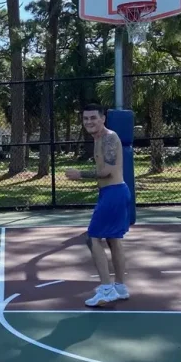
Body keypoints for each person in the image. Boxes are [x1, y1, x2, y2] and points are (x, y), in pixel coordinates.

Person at [65, 103, 131, 307]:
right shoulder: (99, 139)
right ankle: (120, 287)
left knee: (92, 238)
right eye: (85, 119)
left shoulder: (109, 138)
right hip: (112, 192)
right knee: (113, 239)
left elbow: (108, 171)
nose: (89, 122)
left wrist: (80, 175)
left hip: (114, 193)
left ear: (103, 118)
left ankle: (106, 288)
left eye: (93, 118)